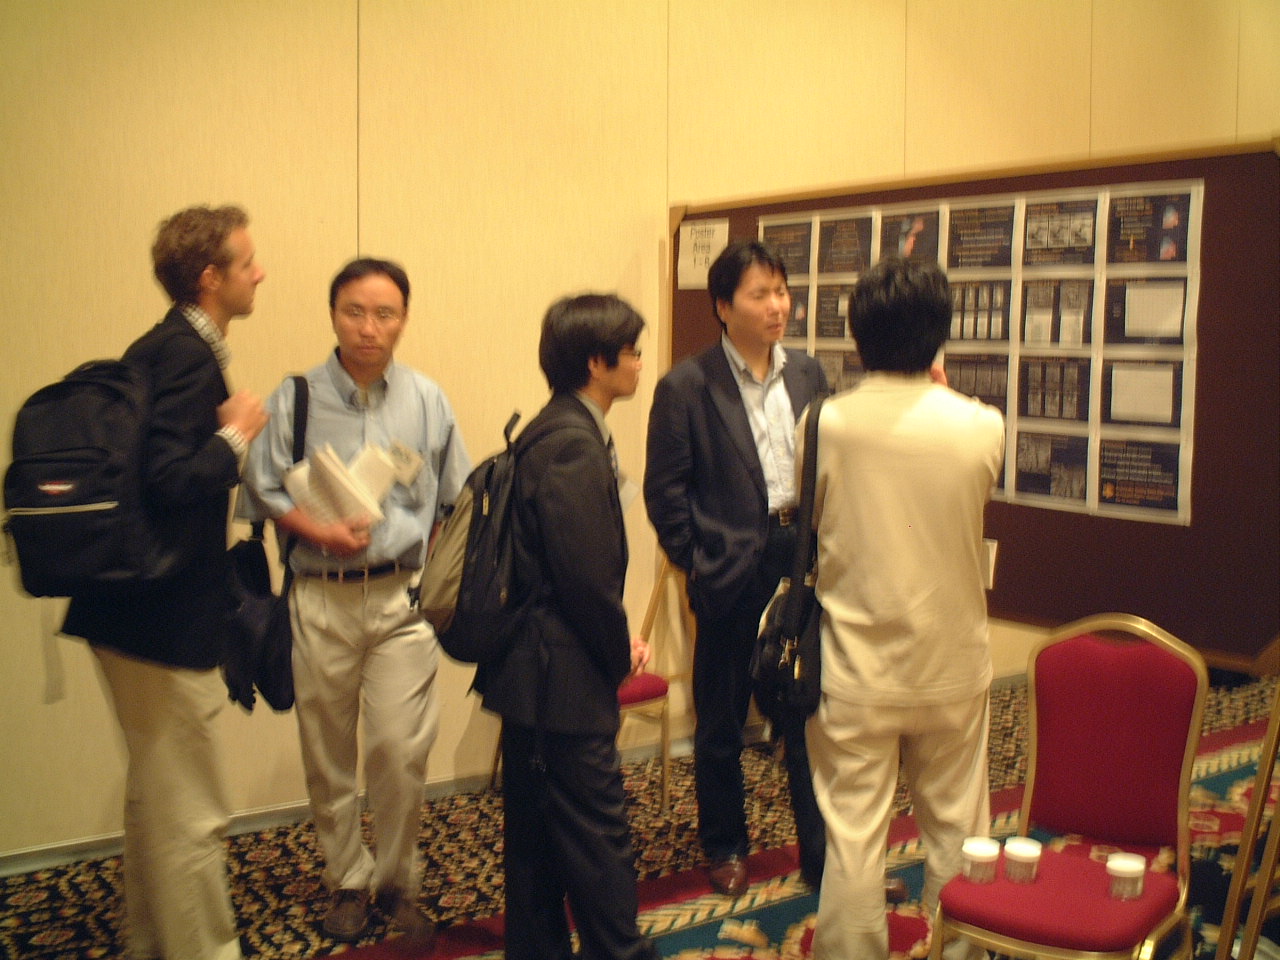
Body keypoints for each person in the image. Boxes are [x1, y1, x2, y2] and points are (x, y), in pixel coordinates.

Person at [242, 258, 470, 945]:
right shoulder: (297, 397)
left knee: (400, 749)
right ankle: (346, 877)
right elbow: (260, 489)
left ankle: (397, 882)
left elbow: (455, 500)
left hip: (402, 600)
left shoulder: (427, 399)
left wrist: (432, 565)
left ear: (404, 318)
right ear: (334, 315)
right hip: (321, 595)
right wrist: (319, 531)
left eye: (384, 313)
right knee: (328, 751)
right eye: (355, 312)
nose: (369, 328)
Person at [62, 204, 269, 960]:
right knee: (191, 813)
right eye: (247, 263)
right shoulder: (185, 355)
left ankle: (149, 943)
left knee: (156, 800)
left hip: (126, 613)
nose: (260, 274)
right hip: (162, 620)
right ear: (210, 277)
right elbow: (171, 479)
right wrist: (236, 434)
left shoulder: (160, 346)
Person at [804, 256, 1004, 959]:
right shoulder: (982, 425)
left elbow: (813, 516)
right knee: (958, 831)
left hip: (854, 666)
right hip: (952, 662)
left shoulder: (824, 423)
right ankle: (960, 949)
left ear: (858, 338)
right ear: (941, 334)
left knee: (853, 837)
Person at [478, 293, 659, 960]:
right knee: (595, 835)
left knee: (537, 837)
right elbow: (585, 582)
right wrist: (618, 652)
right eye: (631, 352)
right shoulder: (573, 445)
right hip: (561, 676)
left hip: (535, 669)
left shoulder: (552, 427)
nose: (639, 363)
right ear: (596, 363)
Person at [644, 240, 828, 894]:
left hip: (800, 552)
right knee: (720, 714)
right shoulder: (687, 386)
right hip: (728, 563)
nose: (777, 305)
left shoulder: (807, 374)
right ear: (724, 306)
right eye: (760, 294)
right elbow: (665, 494)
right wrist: (698, 561)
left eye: (782, 291)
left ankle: (822, 854)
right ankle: (725, 843)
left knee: (809, 707)